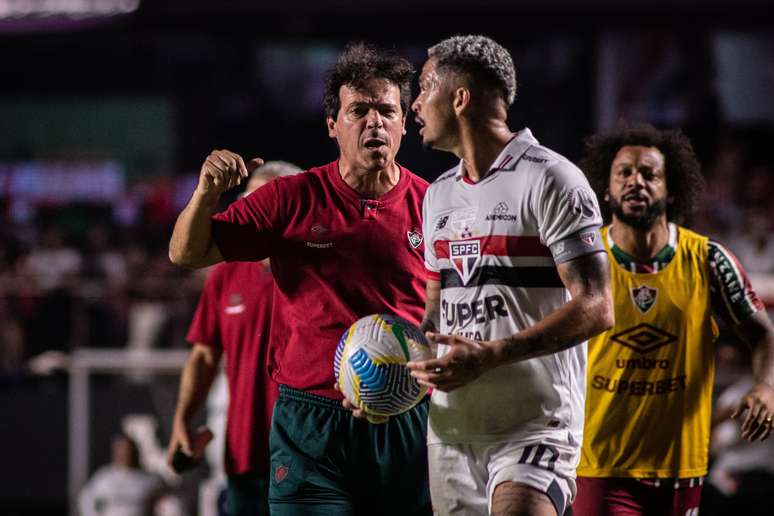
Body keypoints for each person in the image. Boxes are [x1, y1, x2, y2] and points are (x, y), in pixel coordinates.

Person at [168, 43, 431, 515]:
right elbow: (186, 252)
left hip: (404, 418)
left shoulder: (436, 206)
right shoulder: (290, 199)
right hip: (312, 421)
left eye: (387, 110)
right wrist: (207, 191)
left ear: (405, 122)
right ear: (333, 125)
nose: (376, 122)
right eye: (359, 110)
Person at [407, 35, 614, 516]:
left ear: (459, 98)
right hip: (454, 431)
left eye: (423, 87)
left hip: (535, 425)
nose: (415, 103)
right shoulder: (437, 195)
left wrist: (496, 353)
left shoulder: (551, 178)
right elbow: (432, 316)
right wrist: (393, 378)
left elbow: (597, 305)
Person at [572, 122, 774, 516]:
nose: (636, 182)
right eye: (624, 174)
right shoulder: (584, 261)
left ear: (673, 188)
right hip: (600, 465)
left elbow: (763, 335)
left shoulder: (709, 260)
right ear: (606, 190)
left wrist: (766, 387)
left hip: (681, 468)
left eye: (649, 174)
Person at [166, 161, 302, 516]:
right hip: (244, 455)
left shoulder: (319, 266)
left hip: (312, 455)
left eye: (268, 201)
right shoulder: (226, 274)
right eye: (249, 201)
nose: (255, 212)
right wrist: (183, 419)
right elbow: (204, 354)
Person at [79, 434, 169, 516]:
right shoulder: (103, 476)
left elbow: (171, 503)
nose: (124, 453)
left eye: (128, 449)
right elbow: (86, 499)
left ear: (136, 451)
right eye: (120, 449)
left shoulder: (152, 479)